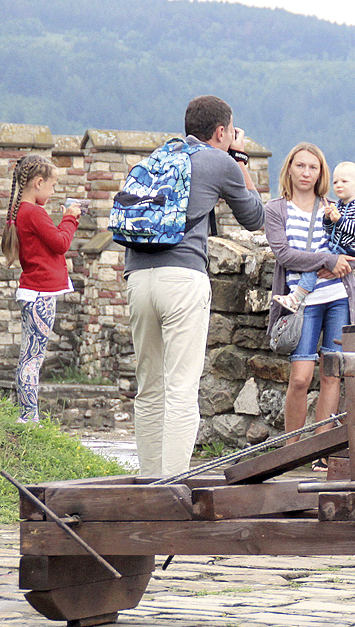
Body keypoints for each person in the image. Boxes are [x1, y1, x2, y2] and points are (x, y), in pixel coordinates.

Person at [124, 95, 265, 477]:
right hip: (182, 278)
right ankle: (171, 485)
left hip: (138, 277)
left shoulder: (160, 157)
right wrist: (239, 157)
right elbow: (255, 217)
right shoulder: (219, 160)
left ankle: (150, 479)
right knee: (182, 389)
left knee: (149, 387)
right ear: (222, 131)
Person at [265, 143, 355, 468]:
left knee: (332, 376)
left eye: (312, 167)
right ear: (289, 169)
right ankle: (291, 451)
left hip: (337, 298)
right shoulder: (276, 210)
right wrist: (327, 258)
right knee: (301, 377)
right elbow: (284, 255)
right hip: (301, 304)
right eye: (300, 166)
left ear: (321, 173)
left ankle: (321, 454)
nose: (306, 173)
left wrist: (342, 264)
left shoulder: (332, 207)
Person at [1, 154, 82, 424]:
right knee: (33, 359)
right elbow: (60, 243)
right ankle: (28, 417)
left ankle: (27, 414)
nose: (54, 190)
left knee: (29, 356)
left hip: (32, 293)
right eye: (53, 185)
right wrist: (70, 218)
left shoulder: (21, 212)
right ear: (38, 182)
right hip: (40, 295)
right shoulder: (34, 213)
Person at [272, 160, 355, 313]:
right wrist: (328, 219)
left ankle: (295, 298)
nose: (339, 185)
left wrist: (339, 221)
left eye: (344, 181)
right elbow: (330, 231)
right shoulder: (338, 205)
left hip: (348, 254)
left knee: (317, 264)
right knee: (322, 259)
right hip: (338, 251)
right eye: (336, 182)